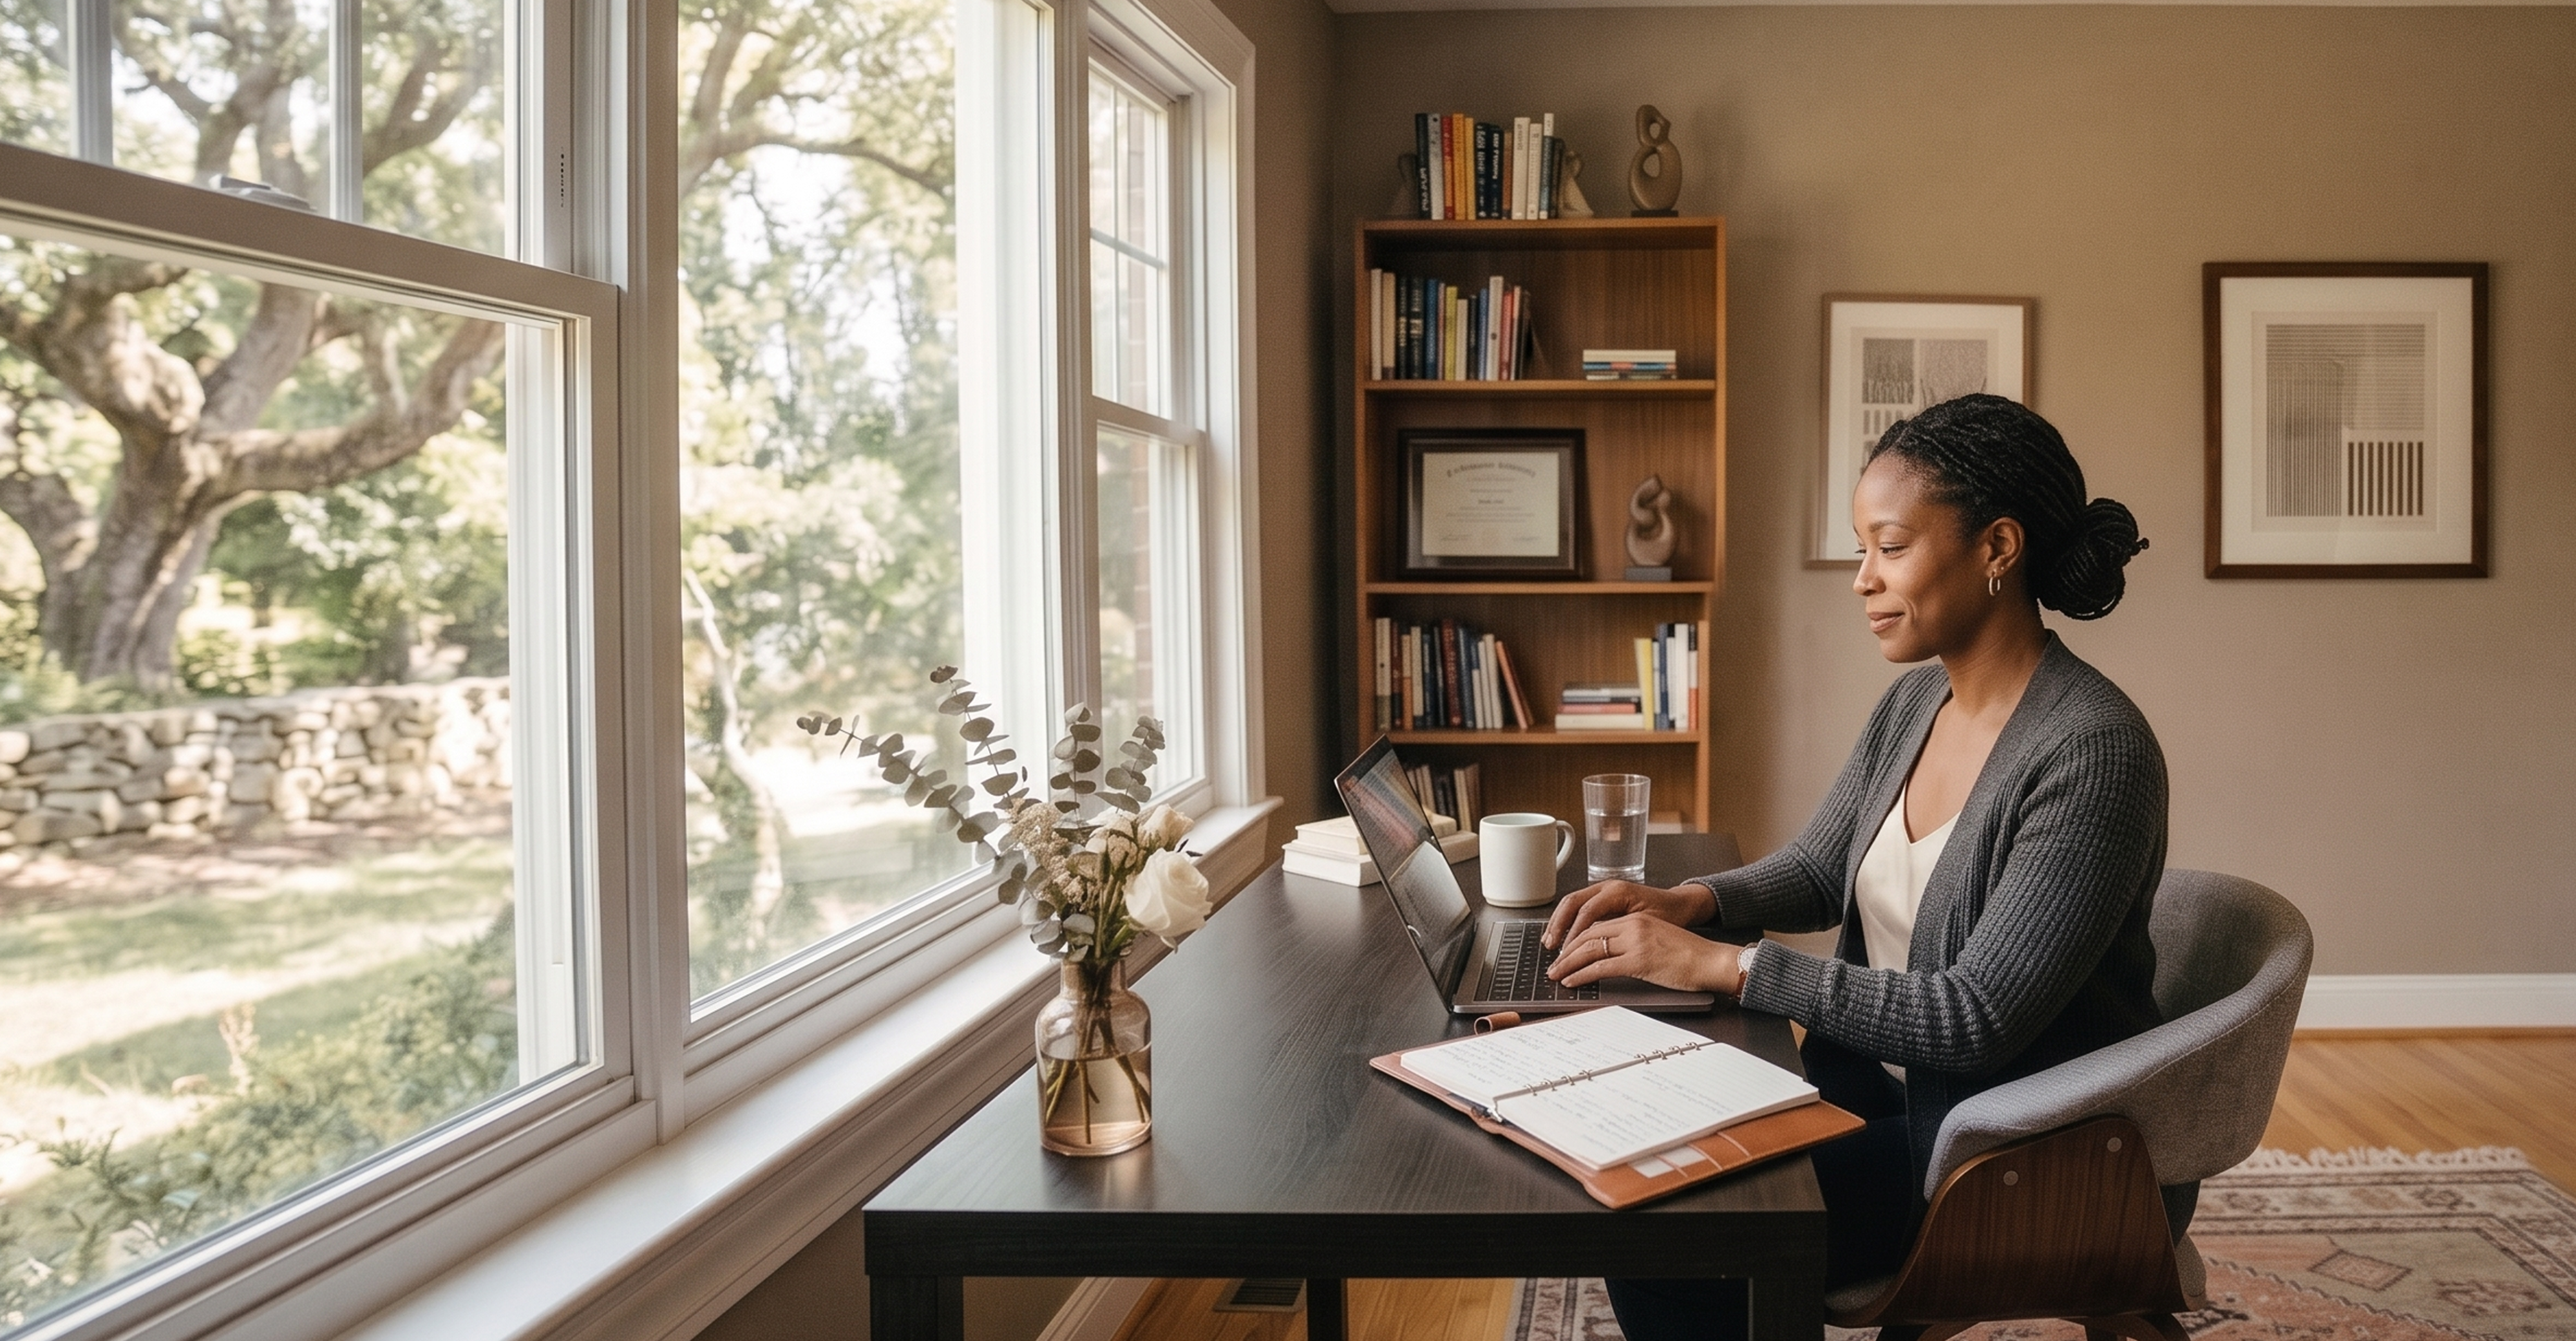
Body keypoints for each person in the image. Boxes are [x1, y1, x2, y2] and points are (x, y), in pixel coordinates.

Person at [1542, 393, 2164, 1341]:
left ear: (1998, 548)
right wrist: (1691, 900)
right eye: (1862, 548)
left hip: (2007, 1151)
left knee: (1674, 1236)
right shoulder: (1915, 705)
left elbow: (1974, 1019)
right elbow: (1821, 868)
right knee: (1636, 1156)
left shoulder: (2092, 752)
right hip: (1874, 1098)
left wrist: (1727, 966)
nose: (1863, 578)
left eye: (1891, 546)